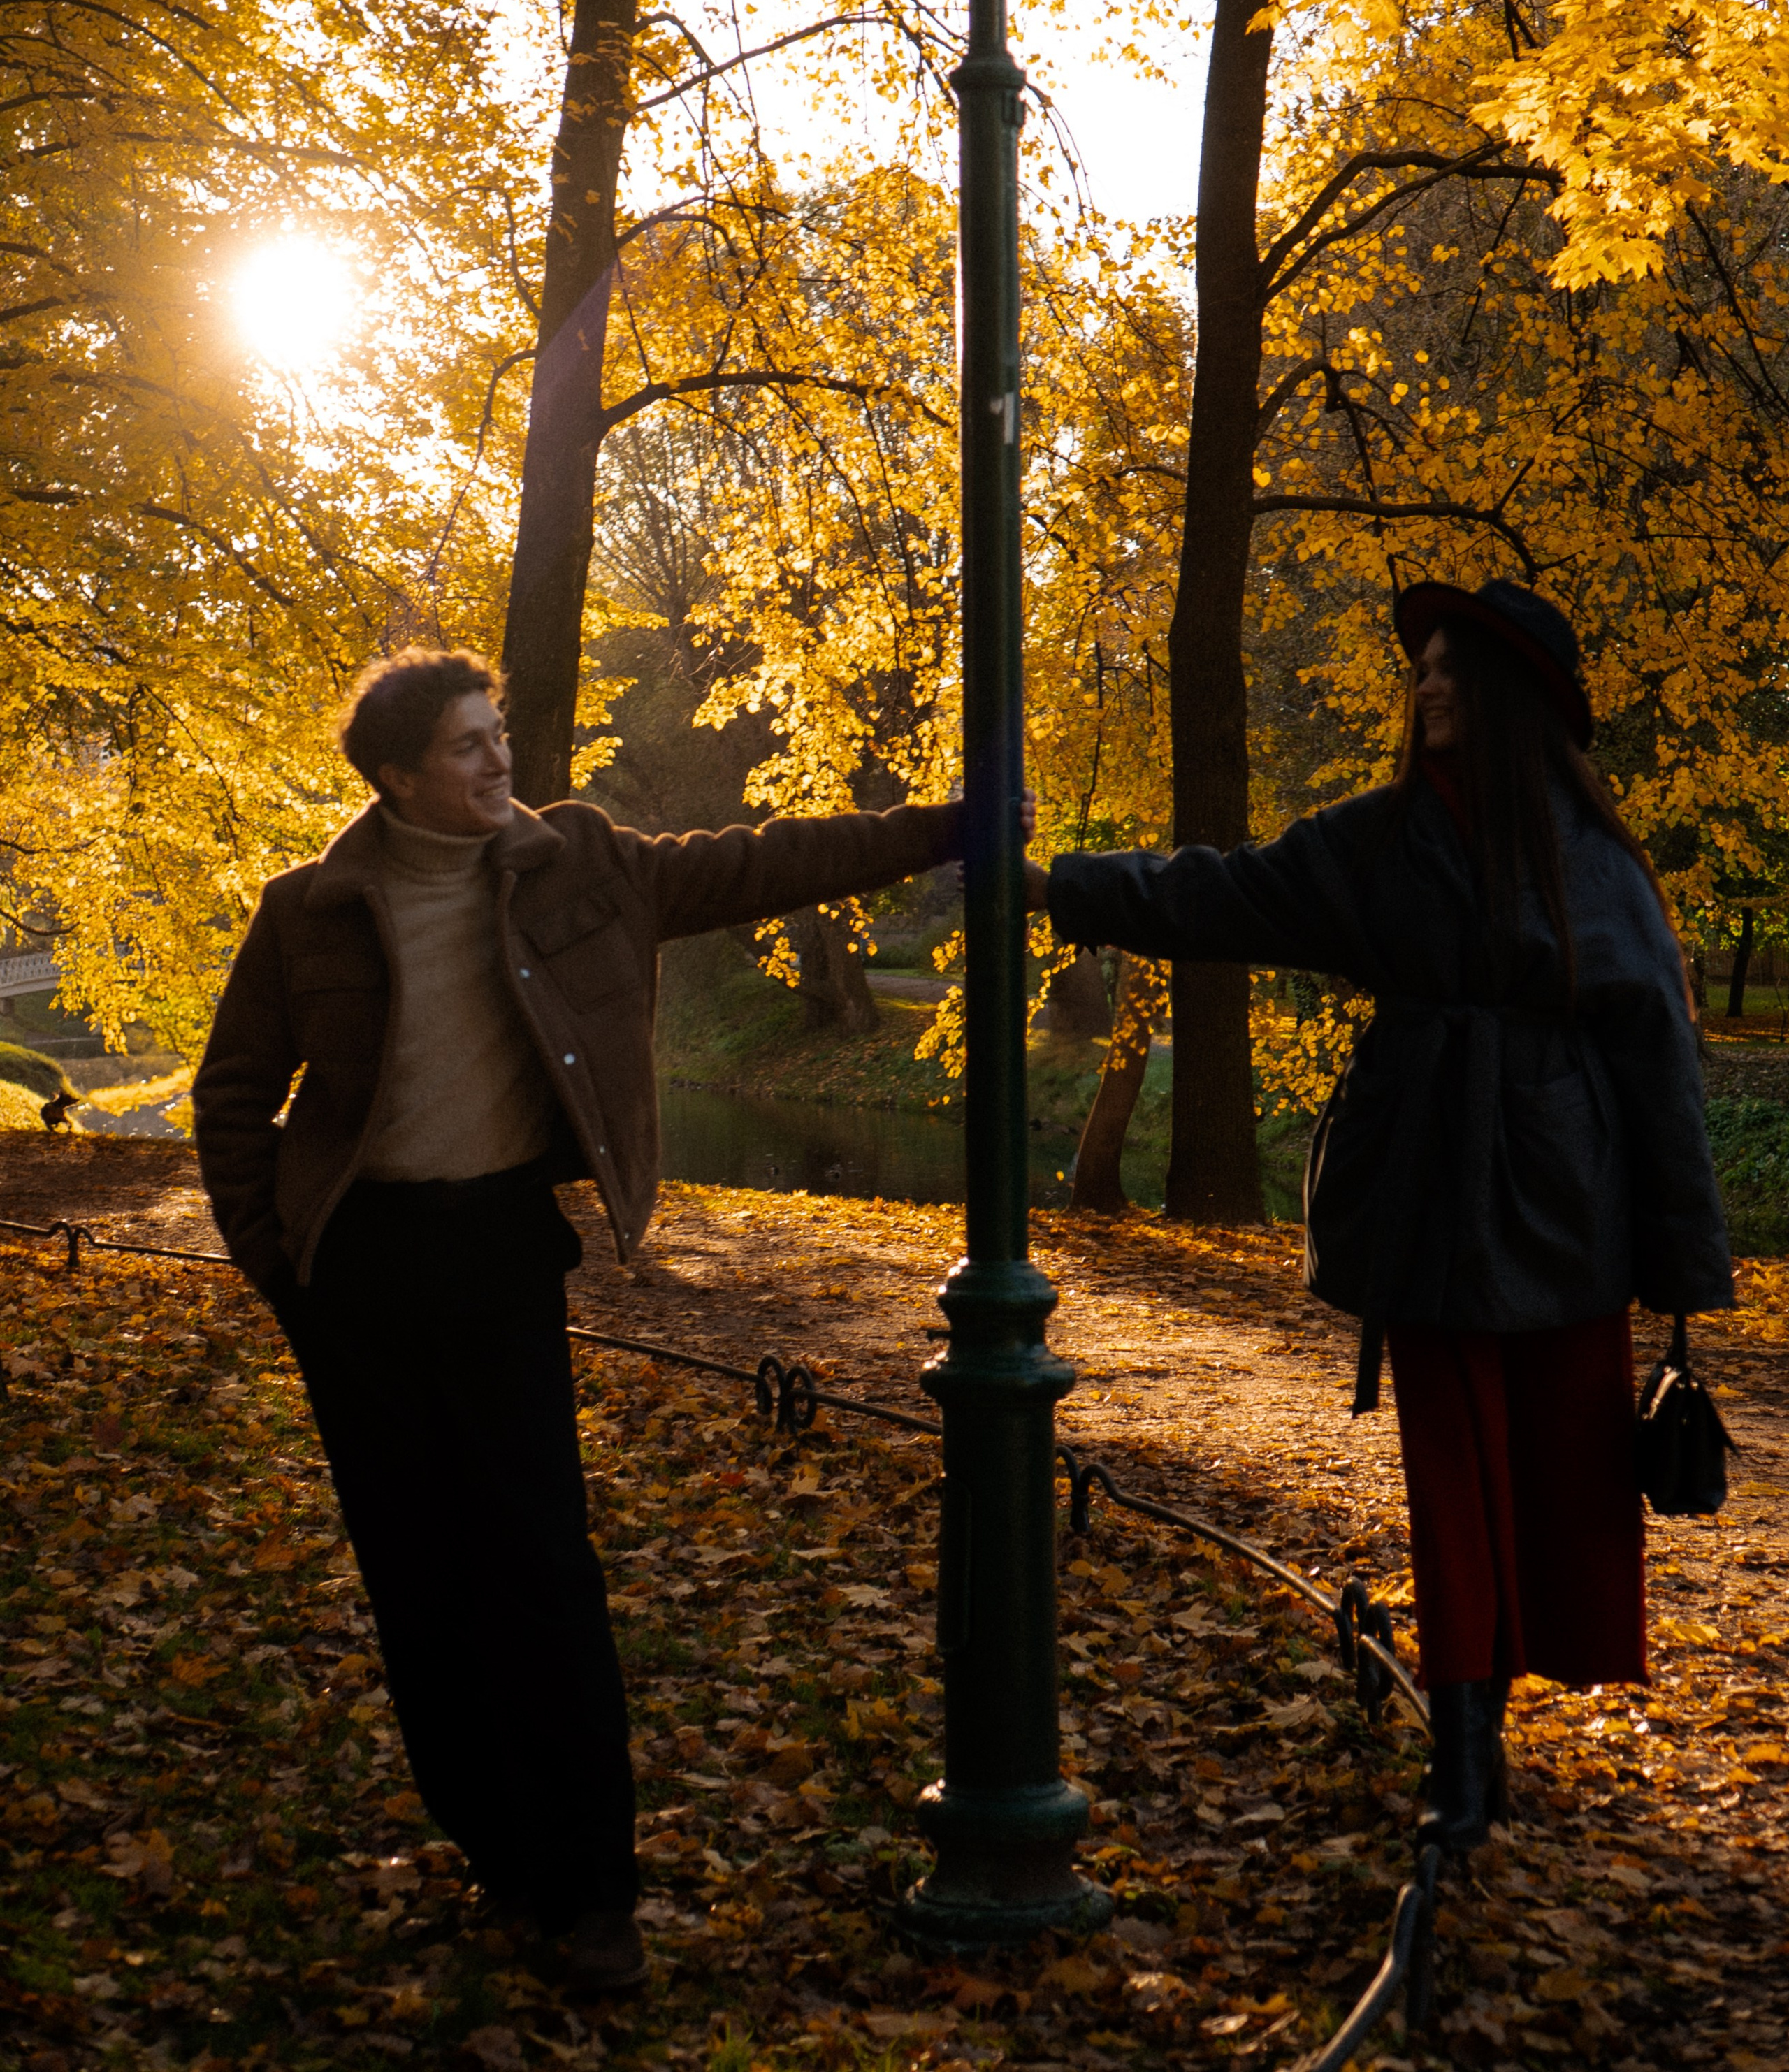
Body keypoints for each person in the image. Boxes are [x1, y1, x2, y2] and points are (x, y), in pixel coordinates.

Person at [194, 647, 969, 1990]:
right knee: (415, 1579)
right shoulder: (309, 910)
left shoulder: (582, 863)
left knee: (542, 1569)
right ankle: (499, 1852)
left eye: (500, 735)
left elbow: (762, 862)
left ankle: (593, 1890)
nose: (501, 762)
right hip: (359, 1273)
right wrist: (278, 1266)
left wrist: (944, 826)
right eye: (468, 747)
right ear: (397, 776)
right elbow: (234, 1092)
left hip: (498, 1253)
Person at [1024, 579, 1733, 1851]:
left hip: (1567, 1206)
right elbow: (1224, 892)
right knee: (1449, 1476)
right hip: (1422, 1192)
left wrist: (1681, 1277)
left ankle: (1497, 1720)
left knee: (1563, 1478)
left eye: (1460, 668)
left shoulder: (1598, 864)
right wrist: (1059, 888)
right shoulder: (1378, 841)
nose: (1432, 683)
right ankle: (1463, 1754)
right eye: (1428, 666)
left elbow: (1659, 1065)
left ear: (1516, 701)